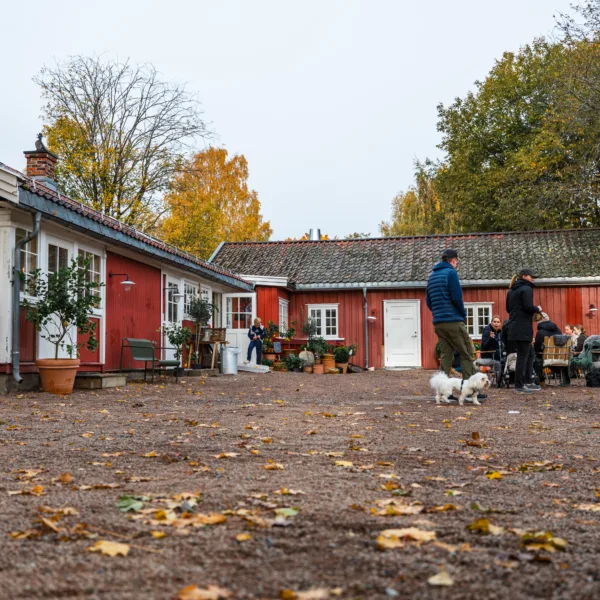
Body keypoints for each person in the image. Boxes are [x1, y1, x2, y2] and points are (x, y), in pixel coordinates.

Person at [426, 248, 487, 401]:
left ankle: (443, 392)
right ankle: (470, 391)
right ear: (453, 260)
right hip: (453, 320)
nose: (457, 263)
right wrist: (462, 314)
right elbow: (457, 297)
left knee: (446, 356)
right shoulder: (451, 273)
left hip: (439, 322)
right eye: (456, 261)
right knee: (466, 353)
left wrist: (438, 313)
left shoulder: (432, 276)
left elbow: (429, 301)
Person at [506, 269, 542, 394]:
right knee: (523, 356)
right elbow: (527, 307)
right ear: (525, 276)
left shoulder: (511, 290)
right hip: (523, 327)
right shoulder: (526, 289)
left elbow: (508, 309)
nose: (533, 279)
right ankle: (519, 386)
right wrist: (537, 308)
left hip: (513, 326)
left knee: (529, 354)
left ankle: (527, 381)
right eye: (532, 277)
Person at [533, 312, 561, 383]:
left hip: (545, 358)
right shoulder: (559, 330)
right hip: (559, 357)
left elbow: (538, 349)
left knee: (535, 359)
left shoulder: (540, 333)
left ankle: (540, 381)